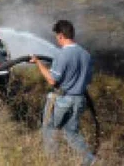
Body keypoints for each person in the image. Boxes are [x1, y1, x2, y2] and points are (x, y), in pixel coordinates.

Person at [30, 20, 95, 165]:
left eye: (56, 36)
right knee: (71, 132)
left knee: (49, 129)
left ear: (60, 36)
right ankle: (90, 161)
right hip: (79, 100)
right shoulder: (86, 54)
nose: (56, 39)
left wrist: (39, 63)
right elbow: (88, 79)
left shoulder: (62, 54)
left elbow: (52, 80)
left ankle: (52, 162)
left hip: (62, 99)